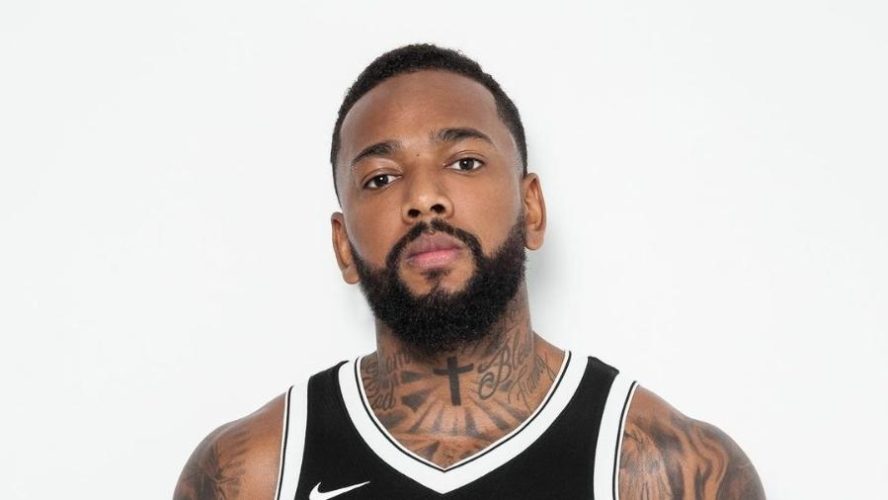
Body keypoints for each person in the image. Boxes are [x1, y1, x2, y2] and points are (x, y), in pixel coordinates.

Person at [173, 44, 765, 500]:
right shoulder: (250, 475)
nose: (423, 198)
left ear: (531, 208)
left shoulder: (669, 470)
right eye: (381, 177)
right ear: (343, 246)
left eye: (464, 162)